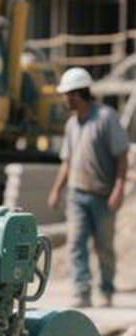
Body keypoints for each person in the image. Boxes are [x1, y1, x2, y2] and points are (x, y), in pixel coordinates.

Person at [48, 67, 130, 308]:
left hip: (103, 195)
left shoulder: (106, 118)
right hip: (77, 194)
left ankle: (106, 290)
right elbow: (67, 161)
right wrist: (56, 189)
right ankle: (81, 292)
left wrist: (118, 188)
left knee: (104, 247)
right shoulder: (71, 125)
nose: (65, 99)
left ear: (78, 94)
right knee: (76, 243)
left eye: (68, 95)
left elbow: (121, 156)